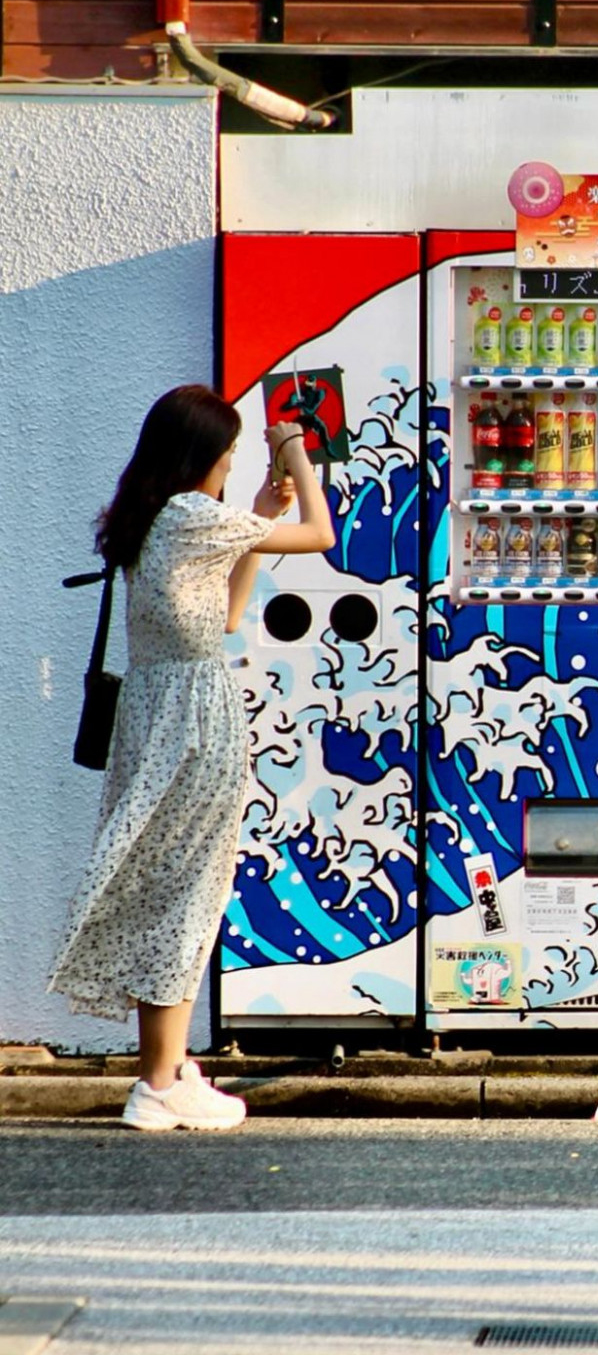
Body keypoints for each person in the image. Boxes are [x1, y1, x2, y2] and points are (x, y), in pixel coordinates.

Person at [47, 384, 335, 1131]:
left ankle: (167, 1073)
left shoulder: (150, 516)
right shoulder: (190, 514)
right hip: (196, 718)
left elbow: (228, 613)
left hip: (154, 713)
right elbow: (321, 535)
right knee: (189, 892)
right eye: (229, 454)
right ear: (201, 455)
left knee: (166, 889)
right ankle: (160, 1083)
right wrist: (294, 449)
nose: (231, 466)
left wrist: (257, 518)